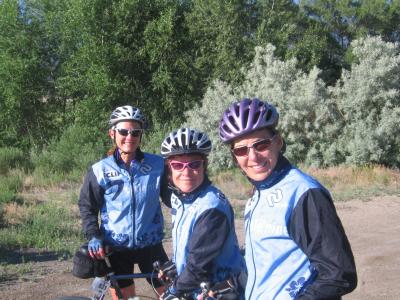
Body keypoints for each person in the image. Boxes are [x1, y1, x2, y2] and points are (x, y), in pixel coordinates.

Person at [218, 98, 357, 300]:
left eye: (261, 144)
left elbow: (339, 274)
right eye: (241, 150)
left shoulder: (304, 193)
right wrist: (231, 287)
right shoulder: (259, 194)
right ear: (235, 157)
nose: (253, 157)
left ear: (278, 142)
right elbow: (264, 262)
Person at [78, 105, 168, 300]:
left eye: (135, 132)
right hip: (116, 248)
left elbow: (172, 198)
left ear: (141, 134)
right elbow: (88, 207)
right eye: (123, 131)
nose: (130, 136)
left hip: (151, 245)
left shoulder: (157, 165)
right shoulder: (100, 170)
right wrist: (93, 235)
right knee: (124, 297)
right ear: (112, 133)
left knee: (172, 294)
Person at [159, 127, 246, 300]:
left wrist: (172, 291)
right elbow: (191, 248)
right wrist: (176, 265)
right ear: (169, 169)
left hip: (219, 292)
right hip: (199, 288)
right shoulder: (182, 198)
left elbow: (198, 267)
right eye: (178, 165)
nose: (186, 172)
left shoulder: (211, 208)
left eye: (194, 164)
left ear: (204, 165)